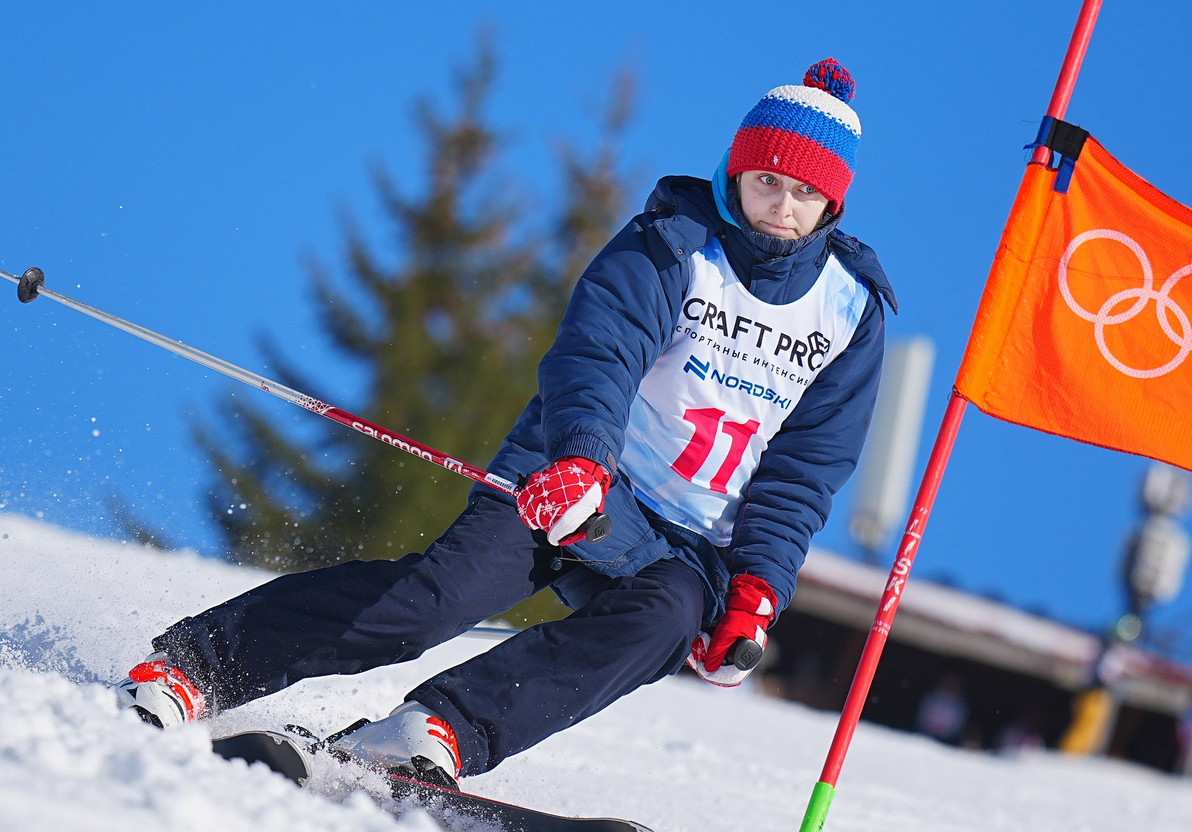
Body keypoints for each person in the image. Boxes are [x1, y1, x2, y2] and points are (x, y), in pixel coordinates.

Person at [115, 62, 895, 786]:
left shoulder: (850, 309)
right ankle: (197, 665)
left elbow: (805, 470)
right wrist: (582, 461)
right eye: (766, 181)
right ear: (736, 169)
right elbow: (599, 354)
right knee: (434, 601)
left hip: (689, 541)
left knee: (662, 620)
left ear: (835, 202)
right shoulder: (674, 244)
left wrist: (756, 592)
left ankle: (438, 728)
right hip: (577, 476)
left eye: (803, 193)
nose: (781, 208)